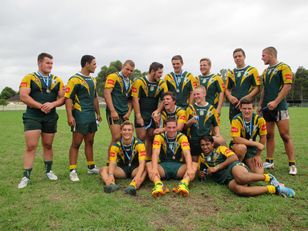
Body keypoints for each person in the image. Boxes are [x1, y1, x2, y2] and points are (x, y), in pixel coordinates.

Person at [18, 52, 65, 189]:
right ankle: (26, 176)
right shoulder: (29, 77)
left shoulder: (57, 80)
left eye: (51, 63)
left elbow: (63, 98)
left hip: (50, 116)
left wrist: (52, 104)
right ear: (39, 63)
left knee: (48, 145)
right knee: (31, 145)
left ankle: (49, 171)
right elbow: (23, 96)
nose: (50, 65)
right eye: (47, 63)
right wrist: (40, 106)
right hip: (33, 115)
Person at [198, 136, 295, 198]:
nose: (205, 147)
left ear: (212, 144)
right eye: (202, 145)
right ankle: (275, 189)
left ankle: (269, 177)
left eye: (207, 144)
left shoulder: (220, 148)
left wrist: (217, 167)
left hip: (234, 167)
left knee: (241, 178)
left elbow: (234, 157)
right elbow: (201, 171)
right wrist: (202, 173)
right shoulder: (201, 158)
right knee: (240, 190)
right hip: (226, 179)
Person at [258, 46, 297, 175]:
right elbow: (264, 89)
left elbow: (287, 86)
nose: (262, 58)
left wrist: (275, 102)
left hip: (280, 107)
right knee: (269, 135)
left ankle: (292, 164)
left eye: (263, 55)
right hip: (267, 108)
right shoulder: (265, 71)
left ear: (270, 55)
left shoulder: (284, 67)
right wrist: (260, 105)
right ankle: (269, 161)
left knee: (285, 136)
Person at [65, 55, 102, 182]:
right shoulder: (74, 79)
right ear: (87, 64)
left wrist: (98, 113)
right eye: (94, 64)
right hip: (79, 115)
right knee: (76, 143)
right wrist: (70, 116)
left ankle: (91, 167)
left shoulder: (94, 80)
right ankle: (72, 170)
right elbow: (68, 98)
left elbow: (95, 97)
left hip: (91, 115)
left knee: (90, 142)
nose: (95, 66)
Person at [147, 118, 196, 197]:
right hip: (163, 167)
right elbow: (155, 153)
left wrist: (190, 168)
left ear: (177, 127)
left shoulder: (182, 137)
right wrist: (155, 169)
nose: (171, 130)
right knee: (149, 164)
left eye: (173, 127)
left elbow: (187, 153)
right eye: (169, 127)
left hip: (178, 167)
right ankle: (158, 185)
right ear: (165, 127)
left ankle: (183, 184)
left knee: (194, 165)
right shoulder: (159, 137)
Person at [100, 121, 147, 195]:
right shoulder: (115, 145)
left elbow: (142, 163)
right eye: (124, 130)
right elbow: (112, 162)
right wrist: (111, 174)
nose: (127, 132)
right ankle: (111, 184)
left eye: (129, 130)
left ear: (133, 131)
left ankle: (133, 186)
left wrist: (138, 176)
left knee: (145, 168)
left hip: (135, 170)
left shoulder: (139, 144)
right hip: (122, 170)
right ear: (121, 131)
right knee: (103, 169)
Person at [132, 62, 168, 158]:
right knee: (141, 137)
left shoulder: (162, 83)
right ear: (152, 71)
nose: (161, 75)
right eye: (159, 73)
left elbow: (164, 99)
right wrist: (138, 116)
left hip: (153, 114)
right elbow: (135, 100)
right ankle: (138, 160)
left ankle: (148, 161)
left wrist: (158, 111)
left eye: (161, 73)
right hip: (142, 113)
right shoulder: (139, 81)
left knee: (151, 137)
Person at [185, 86, 225, 162]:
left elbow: (216, 124)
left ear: (204, 94)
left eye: (198, 94)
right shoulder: (190, 108)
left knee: (221, 141)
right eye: (194, 94)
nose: (196, 96)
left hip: (206, 139)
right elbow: (184, 126)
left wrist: (217, 134)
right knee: (195, 164)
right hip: (194, 140)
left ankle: (225, 160)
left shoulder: (211, 108)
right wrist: (190, 121)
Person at [104, 60, 134, 152]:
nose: (129, 72)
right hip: (114, 112)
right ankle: (109, 162)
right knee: (116, 137)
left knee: (124, 138)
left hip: (124, 113)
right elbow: (107, 93)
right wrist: (112, 111)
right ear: (122, 67)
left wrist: (128, 113)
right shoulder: (113, 76)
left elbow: (130, 100)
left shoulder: (131, 82)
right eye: (127, 69)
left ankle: (119, 161)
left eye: (131, 70)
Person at [230, 99, 267, 174]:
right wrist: (256, 144)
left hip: (251, 149)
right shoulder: (236, 119)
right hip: (237, 146)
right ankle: (237, 164)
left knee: (259, 172)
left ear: (253, 108)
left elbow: (263, 137)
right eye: (244, 108)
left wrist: (258, 155)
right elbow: (236, 139)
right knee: (242, 148)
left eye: (249, 108)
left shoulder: (260, 120)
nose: (247, 111)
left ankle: (245, 161)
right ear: (240, 108)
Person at [225, 48, 261, 122]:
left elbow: (257, 88)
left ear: (244, 56)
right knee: (234, 129)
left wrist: (246, 98)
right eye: (235, 57)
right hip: (234, 106)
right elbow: (227, 89)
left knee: (247, 128)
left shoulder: (252, 70)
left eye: (239, 56)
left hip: (247, 106)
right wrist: (229, 96)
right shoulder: (231, 73)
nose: (237, 58)